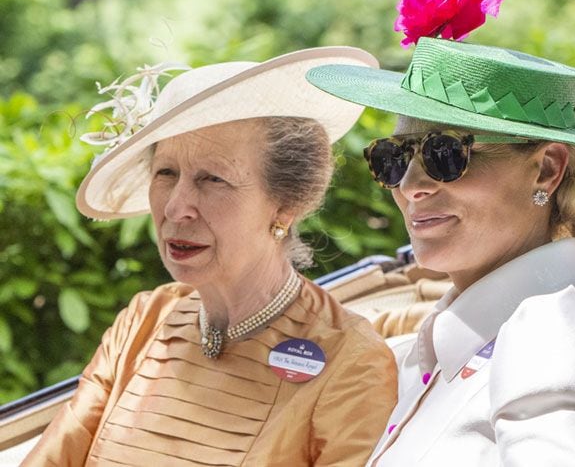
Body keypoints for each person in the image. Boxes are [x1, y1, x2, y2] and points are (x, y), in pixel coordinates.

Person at [306, 37, 575, 465]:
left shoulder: (569, 331)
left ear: (547, 169)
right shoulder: (454, 340)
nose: (409, 186)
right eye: (394, 158)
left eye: (444, 154)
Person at [24, 47, 398, 466]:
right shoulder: (145, 320)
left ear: (285, 204)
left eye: (213, 179)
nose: (176, 206)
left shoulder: (350, 363)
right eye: (166, 173)